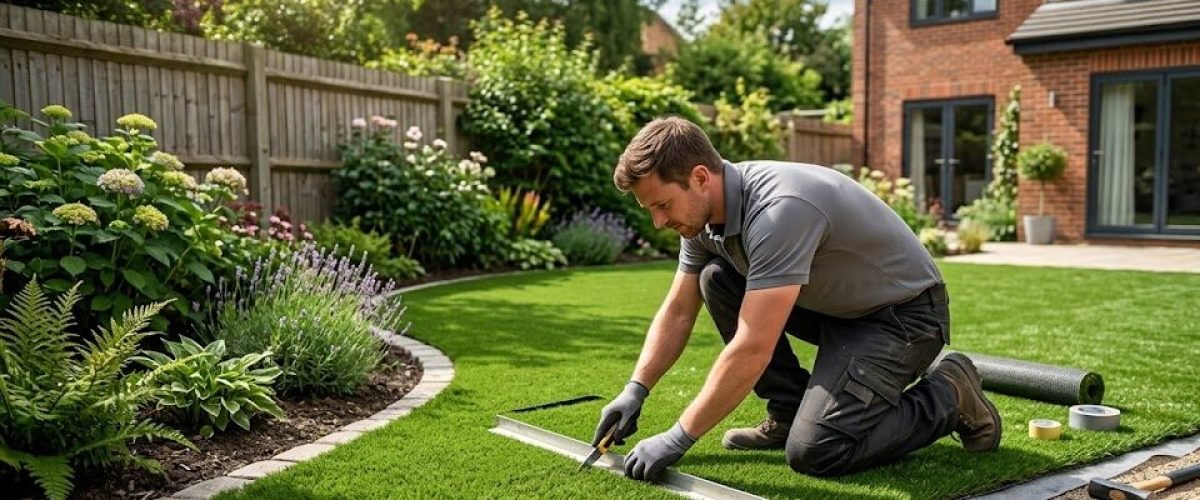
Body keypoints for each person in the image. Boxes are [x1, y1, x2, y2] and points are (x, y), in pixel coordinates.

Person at [591, 116, 1001, 482]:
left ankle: (950, 392)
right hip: (836, 309)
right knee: (717, 278)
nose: (659, 221)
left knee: (817, 451)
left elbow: (752, 348)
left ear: (700, 178)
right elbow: (679, 310)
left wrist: (678, 437)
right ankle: (787, 414)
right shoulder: (701, 221)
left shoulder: (778, 211)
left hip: (903, 318)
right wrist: (636, 388)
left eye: (662, 205)